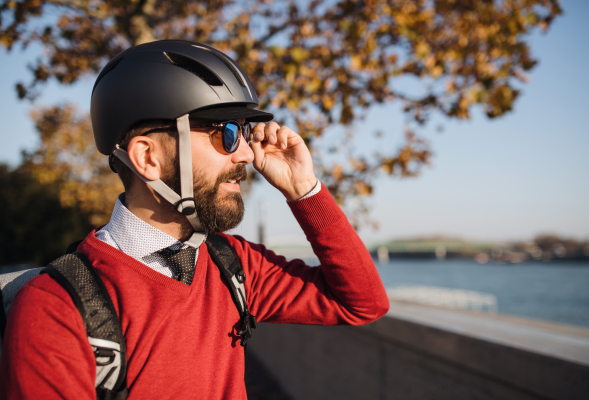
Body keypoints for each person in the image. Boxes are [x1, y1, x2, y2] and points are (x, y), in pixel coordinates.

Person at [0, 40, 389, 399]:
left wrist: (304, 190)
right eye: (226, 134)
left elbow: (361, 303)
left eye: (245, 133)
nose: (247, 156)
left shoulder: (232, 265)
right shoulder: (55, 308)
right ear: (147, 158)